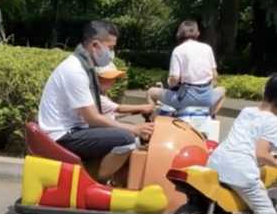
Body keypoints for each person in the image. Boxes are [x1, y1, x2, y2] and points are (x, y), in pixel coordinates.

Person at [38, 21, 153, 184]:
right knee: (126, 139)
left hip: (73, 129)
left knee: (125, 132)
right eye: (111, 48)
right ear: (95, 46)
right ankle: (94, 184)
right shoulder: (75, 71)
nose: (112, 53)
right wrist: (134, 128)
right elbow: (93, 118)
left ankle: (115, 181)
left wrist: (133, 127)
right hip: (63, 134)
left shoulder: (83, 67)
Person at [207, 73, 277, 214]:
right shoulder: (273, 121)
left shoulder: (247, 111)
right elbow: (262, 154)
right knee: (266, 211)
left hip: (216, 162)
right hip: (240, 170)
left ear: (265, 91)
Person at [148, 20, 225, 117]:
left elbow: (175, 79)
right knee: (222, 91)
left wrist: (170, 83)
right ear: (197, 33)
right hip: (207, 99)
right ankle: (210, 116)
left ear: (180, 33)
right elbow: (215, 75)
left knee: (151, 92)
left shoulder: (178, 50)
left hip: (186, 98)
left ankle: (153, 122)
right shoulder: (207, 48)